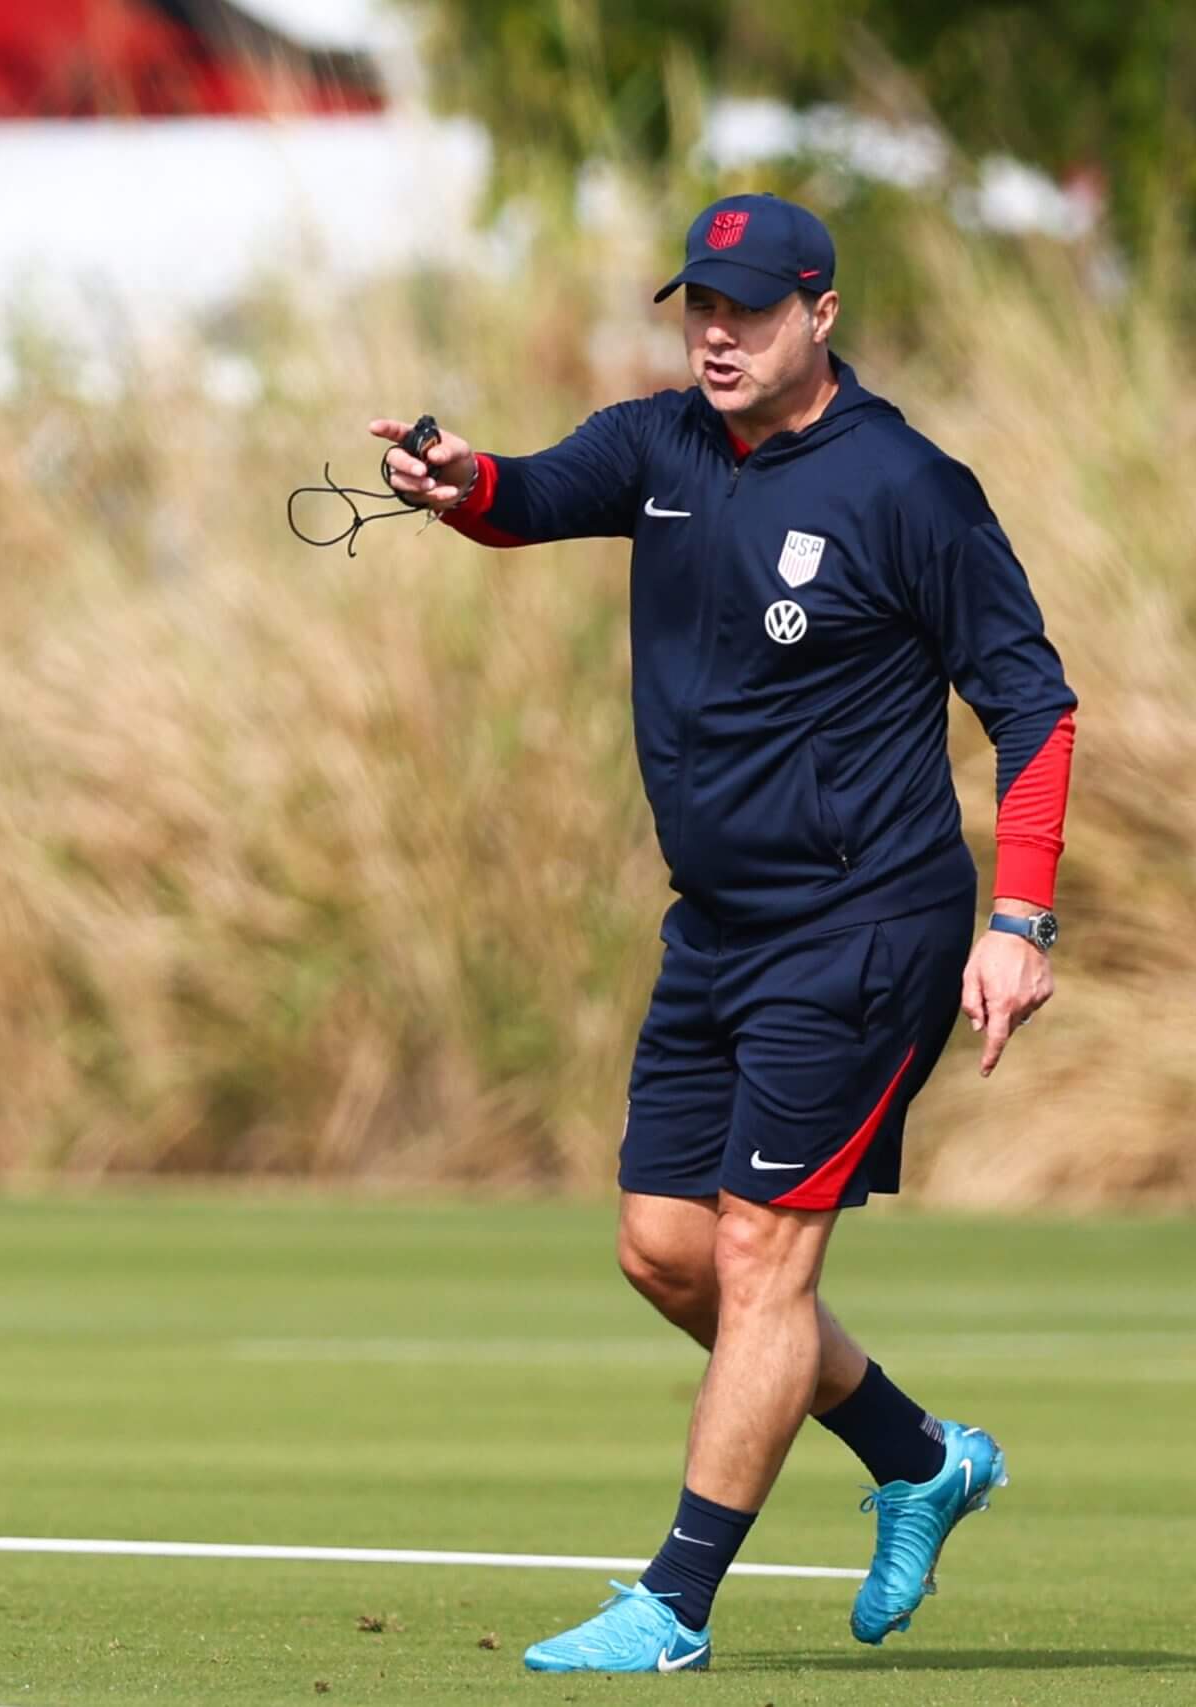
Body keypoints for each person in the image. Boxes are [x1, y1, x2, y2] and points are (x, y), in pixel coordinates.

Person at [371, 192, 1075, 1673]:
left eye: (749, 308)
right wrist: (455, 478)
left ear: (822, 313)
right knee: (663, 1251)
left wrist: (1018, 917)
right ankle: (919, 1457)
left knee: (764, 1257)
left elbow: (1035, 708)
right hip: (720, 931)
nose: (717, 331)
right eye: (700, 303)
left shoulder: (908, 487)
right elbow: (531, 492)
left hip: (868, 926)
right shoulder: (664, 444)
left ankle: (673, 1606)